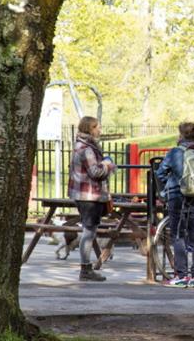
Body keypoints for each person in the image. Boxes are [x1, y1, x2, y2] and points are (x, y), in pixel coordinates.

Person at [157, 121, 194, 288]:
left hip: (177, 196)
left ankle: (181, 275)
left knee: (178, 234)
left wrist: (165, 190)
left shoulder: (175, 152)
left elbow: (161, 173)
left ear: (181, 135)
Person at [68, 116, 116, 281]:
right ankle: (85, 268)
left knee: (89, 230)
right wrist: (108, 164)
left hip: (83, 194)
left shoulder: (80, 145)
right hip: (89, 195)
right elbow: (95, 172)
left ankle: (86, 268)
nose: (100, 130)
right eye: (97, 127)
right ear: (90, 128)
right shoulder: (87, 149)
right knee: (89, 232)